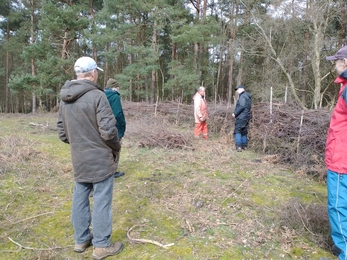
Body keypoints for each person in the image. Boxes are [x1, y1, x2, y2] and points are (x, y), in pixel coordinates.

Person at [57, 56, 124, 260]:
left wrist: (79, 144)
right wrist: (115, 148)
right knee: (102, 199)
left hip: (79, 157)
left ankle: (81, 239)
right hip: (100, 158)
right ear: (93, 73)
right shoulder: (97, 95)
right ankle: (102, 245)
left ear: (78, 74)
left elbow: (62, 132)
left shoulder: (65, 97)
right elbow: (109, 131)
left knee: (80, 195)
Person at [324, 46, 347, 260]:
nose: (334, 65)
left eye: (337, 61)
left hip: (342, 161)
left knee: (338, 206)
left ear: (345, 62)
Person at [104, 78, 126, 178]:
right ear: (115, 87)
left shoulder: (101, 95)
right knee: (116, 149)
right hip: (114, 127)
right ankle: (112, 172)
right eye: (118, 87)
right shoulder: (115, 96)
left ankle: (105, 171)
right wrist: (123, 124)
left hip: (103, 127)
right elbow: (117, 113)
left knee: (105, 149)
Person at [232, 84, 252, 152]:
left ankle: (238, 147)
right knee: (244, 132)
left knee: (237, 131)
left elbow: (242, 106)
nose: (237, 91)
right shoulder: (248, 96)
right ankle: (244, 146)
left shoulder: (242, 96)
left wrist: (235, 113)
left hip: (241, 117)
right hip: (246, 117)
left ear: (242, 89)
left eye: (238, 89)